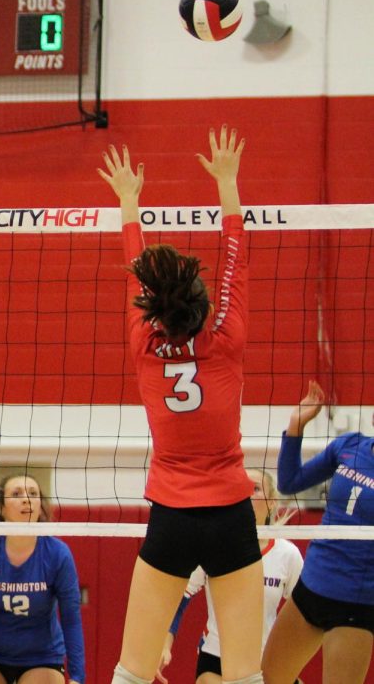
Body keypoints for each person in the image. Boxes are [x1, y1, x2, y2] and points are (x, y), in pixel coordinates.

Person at [98, 126, 265, 684]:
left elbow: (136, 275)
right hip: (231, 515)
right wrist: (227, 182)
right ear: (200, 303)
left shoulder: (144, 346)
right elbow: (236, 260)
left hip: (172, 515)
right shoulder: (226, 339)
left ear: (154, 310)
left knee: (132, 671)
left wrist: (128, 202)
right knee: (244, 675)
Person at [261, 380, 374, 684]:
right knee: (269, 679)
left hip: (356, 605)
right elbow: (289, 482)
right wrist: (296, 425)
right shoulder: (350, 446)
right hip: (310, 590)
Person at [157, 468, 304, 684]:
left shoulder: (287, 554)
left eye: (255, 489)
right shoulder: (212, 545)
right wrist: (163, 644)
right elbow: (179, 598)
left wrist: (290, 659)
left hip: (267, 661)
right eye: (241, 488)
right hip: (217, 659)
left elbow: (303, 613)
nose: (247, 494)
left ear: (272, 501)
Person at [0, 473, 85, 684]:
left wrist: (77, 676)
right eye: (16, 494)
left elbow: (71, 618)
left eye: (33, 493)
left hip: (42, 658)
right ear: (1, 508)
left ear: (40, 505)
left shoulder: (57, 554)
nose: (26, 499)